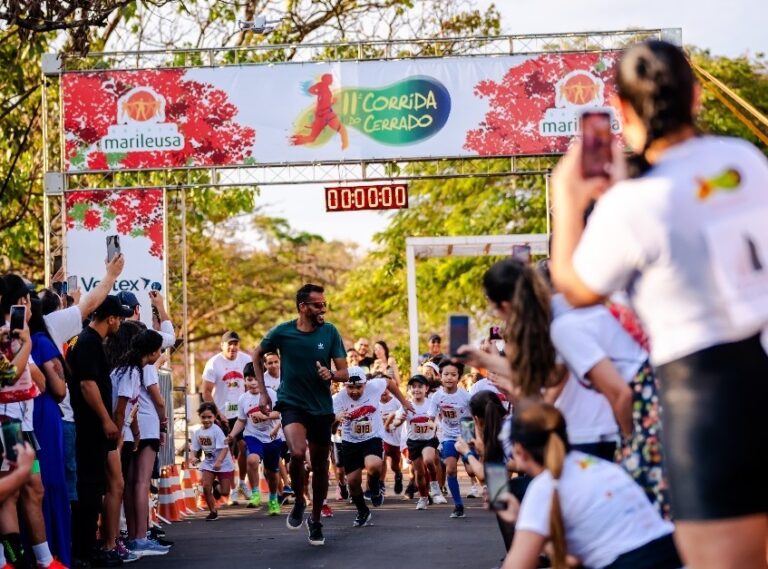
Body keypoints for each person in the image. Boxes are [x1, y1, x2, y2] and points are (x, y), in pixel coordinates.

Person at [549, 40, 768, 568]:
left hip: (705, 400)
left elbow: (578, 289)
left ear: (622, 112)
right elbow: (698, 192)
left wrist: (567, 200)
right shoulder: (742, 160)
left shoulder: (631, 204)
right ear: (695, 97)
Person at [500, 401, 682, 569]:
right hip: (675, 553)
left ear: (519, 450)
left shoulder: (545, 486)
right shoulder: (600, 466)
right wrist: (521, 520)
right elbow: (575, 561)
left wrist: (521, 524)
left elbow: (516, 565)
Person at [251, 284, 349, 546]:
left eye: (324, 304)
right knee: (295, 452)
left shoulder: (330, 332)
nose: (323, 309)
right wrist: (262, 393)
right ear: (302, 307)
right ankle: (298, 499)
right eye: (317, 305)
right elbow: (257, 353)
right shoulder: (283, 331)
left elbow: (344, 372)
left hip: (320, 407)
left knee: (319, 467)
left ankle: (314, 520)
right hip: (291, 402)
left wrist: (331, 374)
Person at [66, 295, 133, 568]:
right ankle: (85, 549)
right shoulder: (89, 342)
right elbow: (87, 385)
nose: (121, 323)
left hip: (90, 426)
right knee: (90, 488)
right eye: (120, 317)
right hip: (90, 427)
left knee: (94, 487)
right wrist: (107, 420)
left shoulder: (85, 340)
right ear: (111, 318)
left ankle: (89, 546)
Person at [332, 366, 411, 527]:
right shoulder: (338, 399)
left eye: (358, 387)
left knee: (373, 465)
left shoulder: (375, 386)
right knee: (353, 483)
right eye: (350, 387)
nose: (354, 391)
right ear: (344, 386)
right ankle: (363, 511)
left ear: (365, 384)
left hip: (372, 437)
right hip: (350, 442)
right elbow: (331, 424)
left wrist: (404, 402)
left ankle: (374, 485)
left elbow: (389, 383)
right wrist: (337, 418)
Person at [28, 298, 71, 568]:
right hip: (41, 420)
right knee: (46, 485)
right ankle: (53, 555)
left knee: (29, 490)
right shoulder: (41, 342)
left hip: (24, 422)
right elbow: (57, 388)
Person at [202, 331, 252, 503]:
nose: (233, 347)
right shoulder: (213, 363)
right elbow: (206, 392)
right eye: (229, 344)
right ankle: (231, 490)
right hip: (222, 414)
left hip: (241, 413)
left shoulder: (246, 360)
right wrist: (217, 414)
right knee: (227, 453)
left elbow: (252, 384)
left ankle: (242, 483)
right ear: (222, 345)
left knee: (244, 447)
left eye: (235, 344)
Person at [226, 362, 282, 515]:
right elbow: (241, 420)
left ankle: (273, 498)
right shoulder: (243, 399)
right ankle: (255, 492)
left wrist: (266, 416)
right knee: (252, 460)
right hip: (253, 435)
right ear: (244, 381)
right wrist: (232, 434)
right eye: (249, 379)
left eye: (257, 379)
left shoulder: (271, 394)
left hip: (272, 437)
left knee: (272, 472)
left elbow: (279, 413)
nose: (253, 383)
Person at [428, 359, 472, 518]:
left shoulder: (465, 396)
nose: (449, 378)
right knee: (451, 469)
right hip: (448, 437)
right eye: (446, 374)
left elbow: (473, 418)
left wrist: (471, 437)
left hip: (466, 434)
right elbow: (430, 417)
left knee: (472, 470)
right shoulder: (436, 397)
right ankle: (458, 506)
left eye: (453, 374)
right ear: (440, 376)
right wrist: (432, 427)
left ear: (458, 377)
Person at [393, 375, 439, 510]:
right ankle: (423, 497)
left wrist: (434, 426)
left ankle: (435, 484)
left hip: (429, 439)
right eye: (413, 387)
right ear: (409, 389)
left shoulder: (431, 403)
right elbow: (396, 421)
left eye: (420, 386)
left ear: (426, 388)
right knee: (419, 473)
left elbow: (437, 417)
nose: (416, 389)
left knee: (429, 460)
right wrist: (399, 420)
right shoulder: (407, 404)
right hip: (413, 441)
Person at [191, 402, 236, 521]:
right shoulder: (197, 433)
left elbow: (224, 448)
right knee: (206, 487)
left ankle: (217, 486)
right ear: (199, 417)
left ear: (215, 417)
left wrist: (219, 462)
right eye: (203, 417)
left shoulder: (217, 430)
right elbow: (194, 449)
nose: (206, 420)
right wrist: (194, 457)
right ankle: (213, 511)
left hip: (223, 462)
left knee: (225, 493)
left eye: (209, 417)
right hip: (209, 463)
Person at [379, 387, 404, 495]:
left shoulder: (397, 402)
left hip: (395, 438)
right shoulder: (374, 402)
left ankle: (398, 474)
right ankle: (381, 483)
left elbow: (403, 417)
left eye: (386, 389)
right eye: (381, 389)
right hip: (382, 437)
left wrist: (393, 424)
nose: (384, 391)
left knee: (395, 465)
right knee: (382, 458)